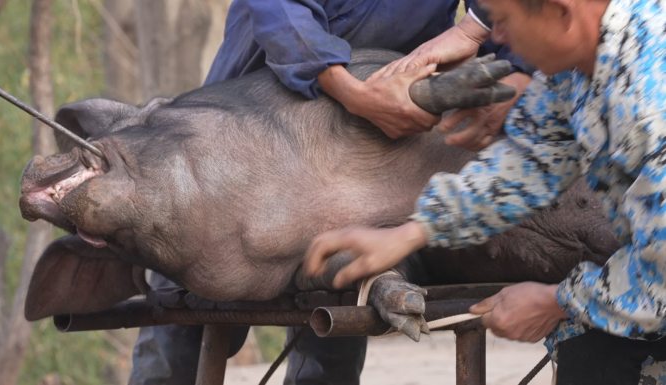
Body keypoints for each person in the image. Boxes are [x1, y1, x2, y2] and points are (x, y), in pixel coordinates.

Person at [129, 1, 534, 385]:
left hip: (364, 160)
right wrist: (352, 92)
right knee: (176, 332)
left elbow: (500, 21)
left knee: (332, 341)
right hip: (238, 148)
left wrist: (514, 69)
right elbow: (280, 12)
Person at [305, 0, 666, 383]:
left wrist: (555, 301)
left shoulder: (649, 102)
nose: (498, 36)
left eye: (504, 20)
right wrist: (411, 233)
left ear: (561, 13)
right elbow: (530, 160)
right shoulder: (578, 67)